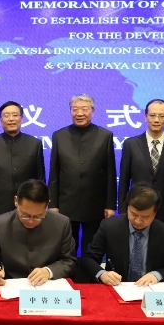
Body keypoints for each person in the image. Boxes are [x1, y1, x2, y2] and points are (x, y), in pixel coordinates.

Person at [49, 94, 116, 255]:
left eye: (84, 109)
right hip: (66, 204)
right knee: (66, 250)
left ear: (93, 111)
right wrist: (53, 204)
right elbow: (54, 173)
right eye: (75, 109)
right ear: (70, 112)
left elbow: (110, 173)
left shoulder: (105, 136)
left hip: (95, 204)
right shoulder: (59, 136)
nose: (79, 113)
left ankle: (89, 272)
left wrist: (110, 205)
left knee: (91, 250)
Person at [82, 183, 164, 286]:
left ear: (155, 213)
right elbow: (88, 258)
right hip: (118, 287)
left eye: (145, 217)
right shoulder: (109, 227)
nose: (138, 221)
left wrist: (157, 275)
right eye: (134, 214)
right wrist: (102, 274)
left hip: (151, 290)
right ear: (127, 208)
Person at [0, 180, 77, 286]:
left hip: (48, 285)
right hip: (11, 284)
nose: (31, 221)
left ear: (47, 205)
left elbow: (70, 261)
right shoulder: (0, 224)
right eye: (25, 215)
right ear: (16, 201)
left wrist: (48, 271)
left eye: (38, 216)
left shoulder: (61, 223)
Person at [118, 99, 164, 232]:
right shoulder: (131, 144)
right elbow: (124, 181)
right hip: (137, 211)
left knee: (163, 245)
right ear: (145, 117)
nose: (156, 120)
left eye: (161, 116)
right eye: (152, 115)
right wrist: (123, 211)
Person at [0, 101, 45, 224]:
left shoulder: (35, 144)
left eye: (15, 115)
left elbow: (40, 178)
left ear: (22, 118)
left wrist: (40, 204)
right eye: (6, 115)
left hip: (29, 204)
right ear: (0, 120)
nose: (11, 119)